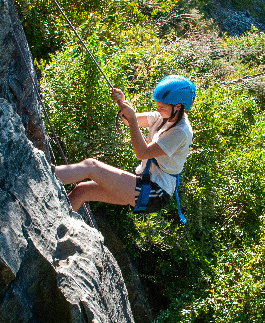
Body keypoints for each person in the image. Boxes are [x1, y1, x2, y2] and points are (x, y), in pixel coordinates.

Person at [53, 75, 195, 220]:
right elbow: (129, 120)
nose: (158, 110)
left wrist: (132, 118)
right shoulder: (163, 116)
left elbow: (142, 152)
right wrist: (122, 102)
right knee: (82, 190)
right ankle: (56, 221)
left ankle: (44, 173)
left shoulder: (180, 132)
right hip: (142, 178)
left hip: (156, 191)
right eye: (157, 105)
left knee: (91, 166)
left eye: (162, 107)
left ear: (178, 106)